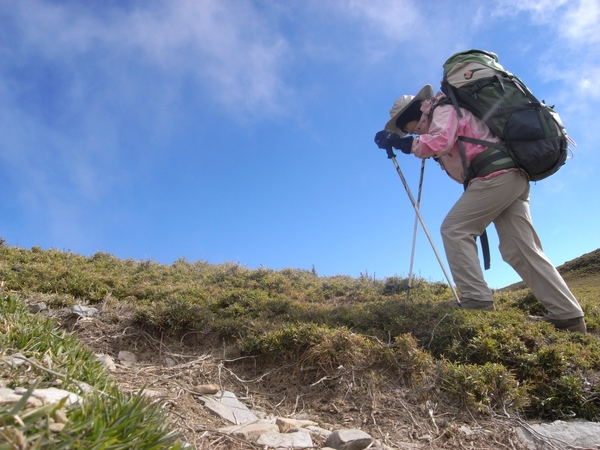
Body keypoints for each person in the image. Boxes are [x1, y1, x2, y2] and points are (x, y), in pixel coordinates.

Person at [374, 84, 586, 333]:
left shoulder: (443, 110)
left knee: (454, 229)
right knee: (519, 248)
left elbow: (440, 141)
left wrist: (406, 145)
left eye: (402, 126)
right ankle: (568, 316)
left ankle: (476, 301)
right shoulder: (445, 114)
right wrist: (411, 144)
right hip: (511, 176)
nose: (403, 131)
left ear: (412, 116)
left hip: (495, 176)